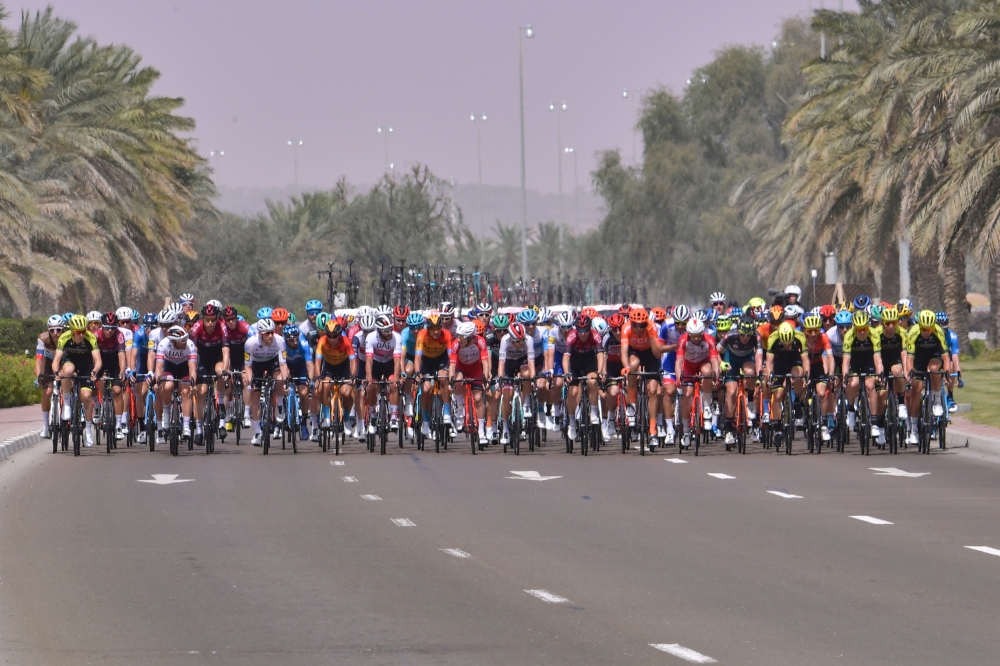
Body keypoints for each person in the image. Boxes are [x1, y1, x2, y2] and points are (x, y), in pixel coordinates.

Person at [52, 315, 102, 447]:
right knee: (67, 371)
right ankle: (67, 404)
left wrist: (95, 371)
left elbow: (98, 360)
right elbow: (56, 360)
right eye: (77, 332)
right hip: (70, 362)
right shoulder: (64, 337)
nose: (80, 335)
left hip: (86, 366)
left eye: (83, 331)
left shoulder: (91, 338)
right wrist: (56, 372)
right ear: (72, 331)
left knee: (86, 397)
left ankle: (89, 430)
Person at [243, 318, 288, 445]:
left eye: (272, 332)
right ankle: (257, 432)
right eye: (267, 333)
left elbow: (283, 364)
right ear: (260, 333)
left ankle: (279, 405)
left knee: (279, 379)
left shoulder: (280, 340)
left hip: (272, 361)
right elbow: (248, 366)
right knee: (255, 394)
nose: (270, 335)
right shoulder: (250, 343)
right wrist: (251, 381)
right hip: (256, 364)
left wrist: (284, 381)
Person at [562, 314, 605, 442]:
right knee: (572, 392)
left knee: (592, 382)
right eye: (580, 331)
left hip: (589, 363)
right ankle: (572, 422)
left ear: (589, 328)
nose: (583, 334)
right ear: (576, 329)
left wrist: (601, 371)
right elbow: (566, 357)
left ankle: (593, 411)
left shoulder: (595, 335)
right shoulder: (572, 336)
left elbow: (600, 355)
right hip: (575, 364)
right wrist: (566, 372)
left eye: (586, 330)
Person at [153, 325, 199, 443]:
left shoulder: (190, 345)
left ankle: (186, 426)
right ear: (173, 341)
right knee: (167, 386)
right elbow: (158, 367)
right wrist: (158, 382)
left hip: (184, 367)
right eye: (182, 341)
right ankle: (167, 414)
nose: (185, 342)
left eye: (186, 339)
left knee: (185, 391)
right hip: (170, 366)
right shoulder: (164, 344)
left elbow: (192, 368)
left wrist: (193, 385)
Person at [449, 321, 490, 441]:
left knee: (478, 399)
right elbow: (452, 365)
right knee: (457, 380)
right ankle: (460, 409)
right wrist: (451, 380)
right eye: (458, 336)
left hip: (475, 368)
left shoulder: (480, 342)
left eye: (461, 337)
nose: (459, 339)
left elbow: (485, 364)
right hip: (461, 367)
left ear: (470, 337)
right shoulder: (456, 344)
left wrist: (485, 379)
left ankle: (481, 431)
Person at [35, 315, 64, 438]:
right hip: (47, 363)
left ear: (63, 329)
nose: (55, 333)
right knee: (47, 392)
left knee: (66, 387)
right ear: (48, 330)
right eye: (52, 330)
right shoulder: (43, 338)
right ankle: (46, 426)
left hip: (62, 362)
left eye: (58, 330)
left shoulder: (67, 337)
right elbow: (39, 360)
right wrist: (39, 377)